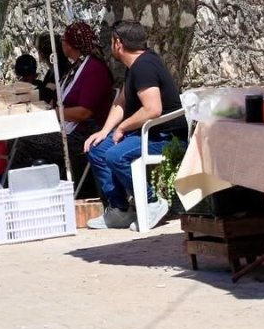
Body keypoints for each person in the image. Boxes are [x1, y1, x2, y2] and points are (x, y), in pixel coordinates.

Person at [84, 20, 187, 230]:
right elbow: (121, 101)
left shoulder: (144, 67)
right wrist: (104, 131)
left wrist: (122, 128)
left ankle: (151, 202)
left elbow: (153, 109)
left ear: (118, 43)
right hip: (148, 134)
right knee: (96, 148)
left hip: (166, 137)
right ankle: (119, 209)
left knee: (115, 155)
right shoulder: (134, 67)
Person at [58, 22, 116, 179]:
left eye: (64, 38)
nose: (61, 42)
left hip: (86, 131)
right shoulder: (77, 66)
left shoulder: (94, 69)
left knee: (27, 142)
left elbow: (84, 112)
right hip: (74, 127)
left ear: (71, 44)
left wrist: (57, 113)